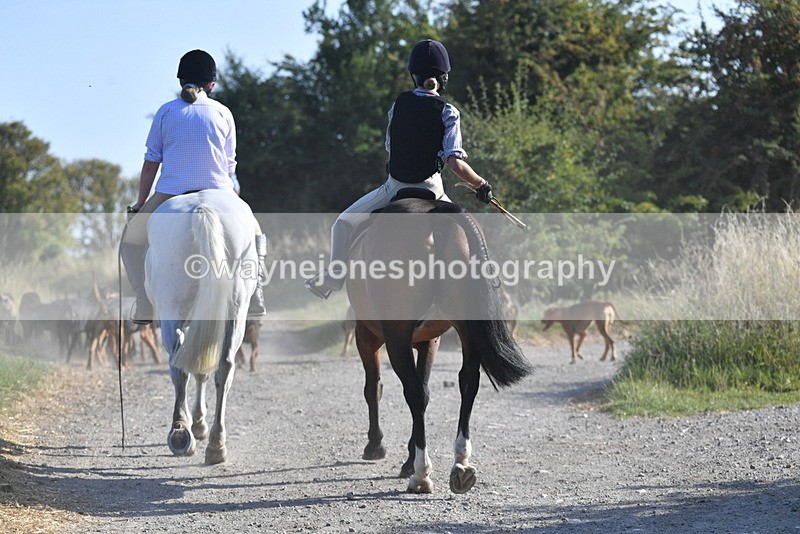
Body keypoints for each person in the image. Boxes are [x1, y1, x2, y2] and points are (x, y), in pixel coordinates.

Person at [306, 39, 493, 299]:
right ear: (444, 78)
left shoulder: (398, 105)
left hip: (394, 188)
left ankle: (334, 277)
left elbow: (390, 148)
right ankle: (487, 286)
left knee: (343, 222)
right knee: (471, 233)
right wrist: (481, 184)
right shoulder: (449, 112)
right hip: (433, 190)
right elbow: (455, 163)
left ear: (414, 76)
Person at [121, 49, 267, 324]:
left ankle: (143, 304)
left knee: (129, 242)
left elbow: (151, 164)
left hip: (170, 193)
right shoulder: (223, 113)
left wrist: (140, 203)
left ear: (180, 80)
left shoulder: (166, 112)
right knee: (256, 234)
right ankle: (257, 292)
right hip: (221, 191)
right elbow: (230, 166)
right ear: (211, 83)